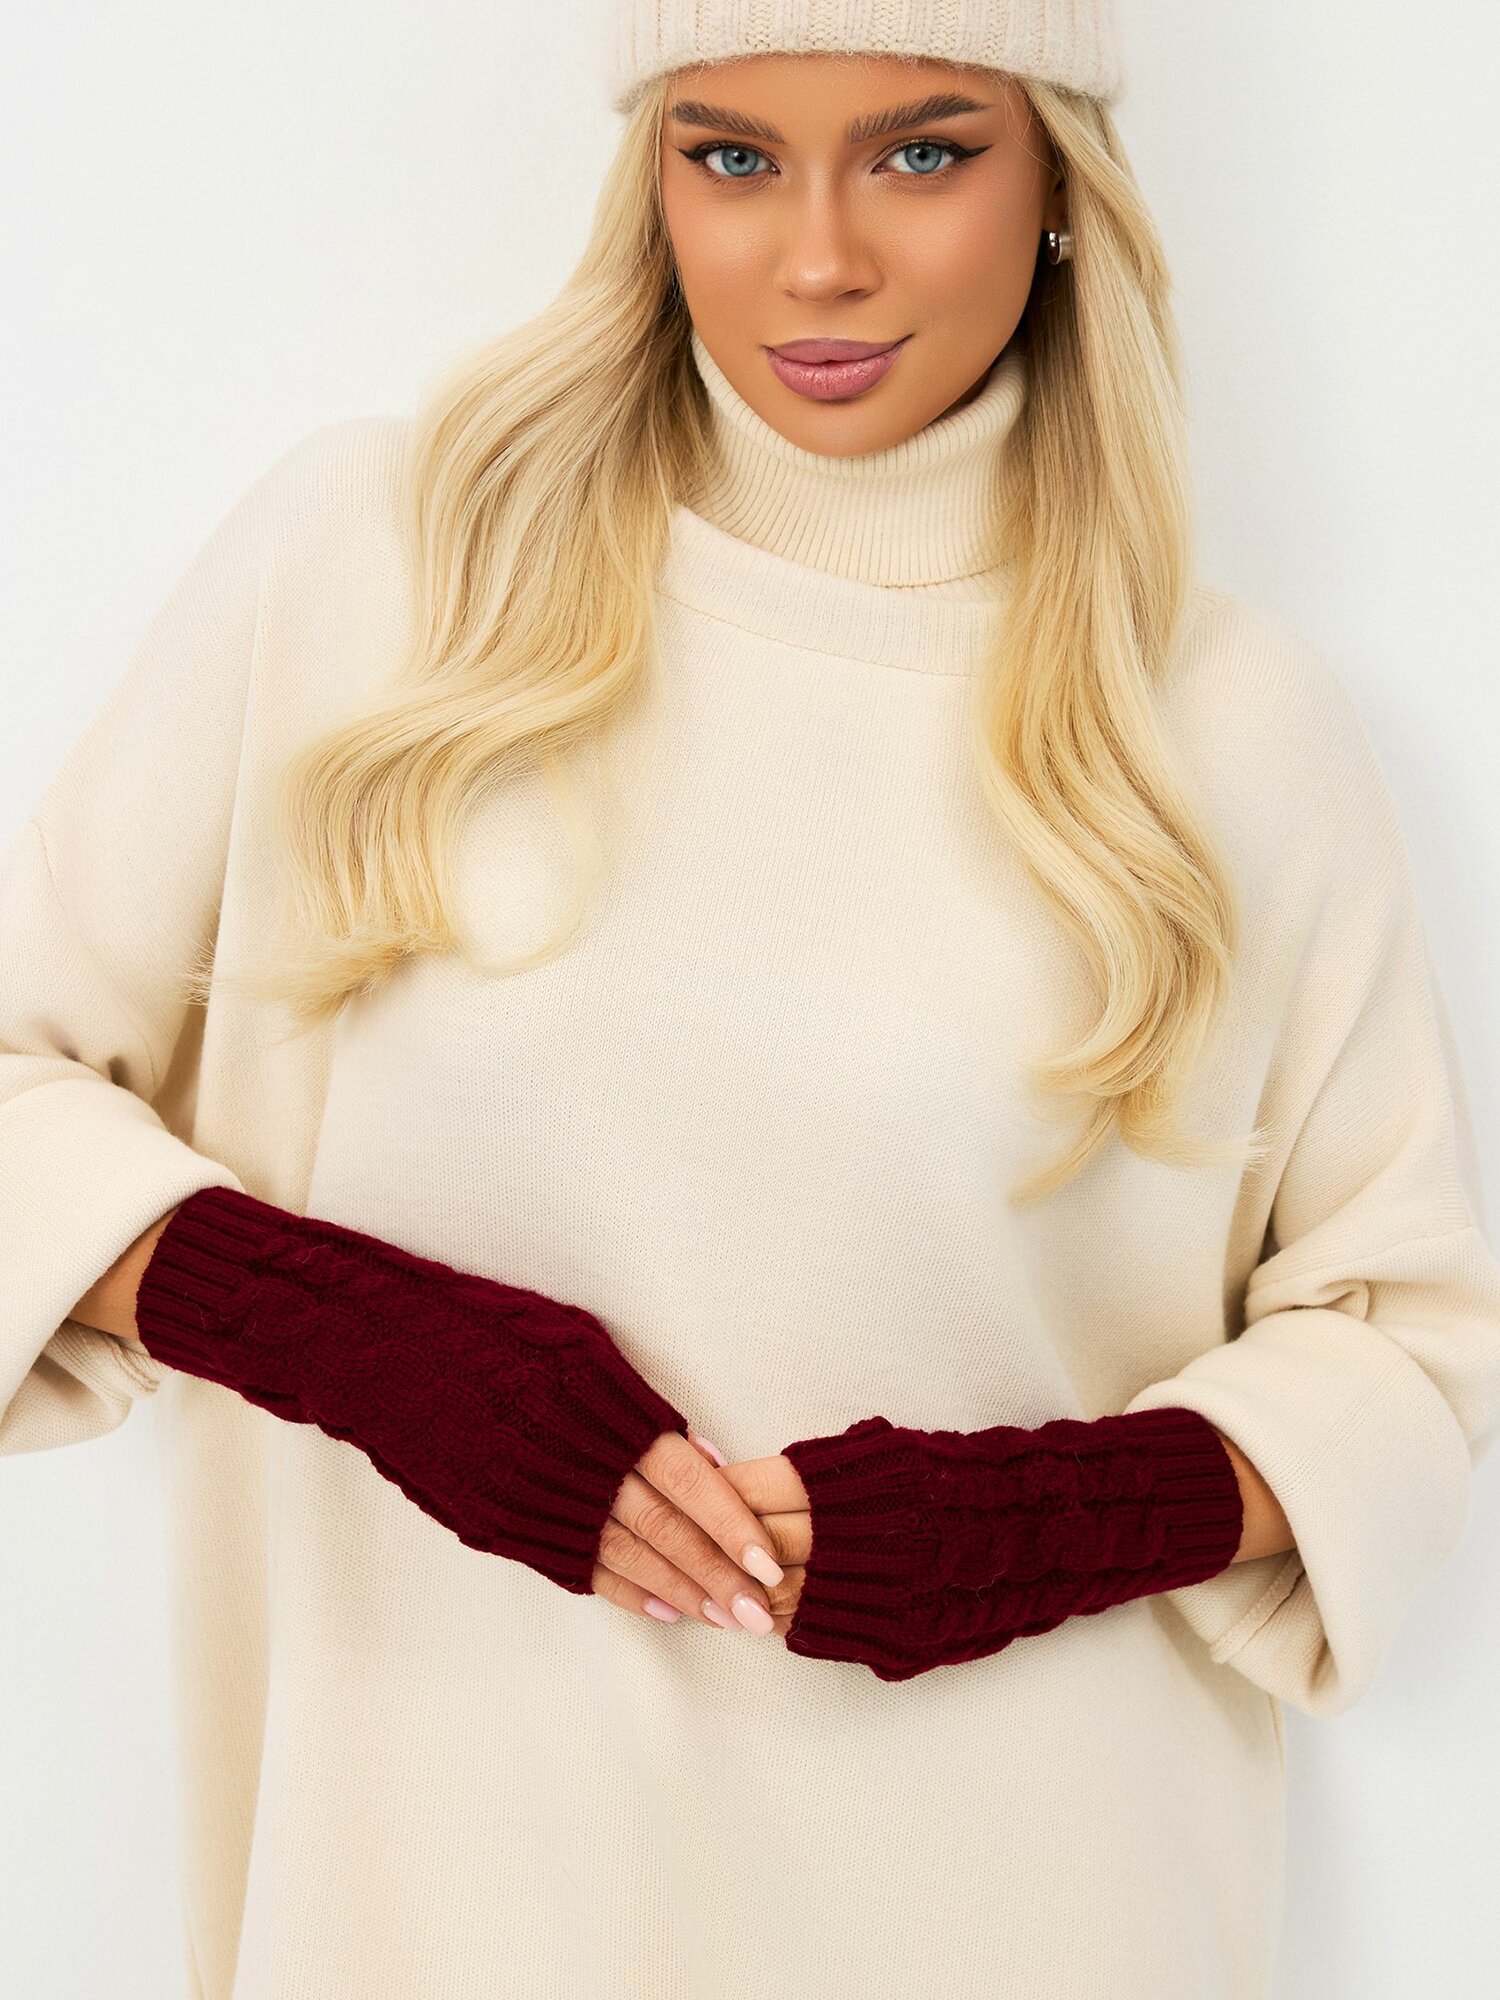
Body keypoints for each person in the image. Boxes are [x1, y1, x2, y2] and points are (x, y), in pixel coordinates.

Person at [4, 2, 1498, 1995]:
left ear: (1061, 182)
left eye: (922, 152)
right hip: (441, 1902)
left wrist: (1035, 1519)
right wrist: (367, 1344)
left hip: (1028, 1906)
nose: (819, 259)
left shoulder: (1227, 725)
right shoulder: (376, 566)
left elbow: (1407, 1353)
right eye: (730, 156)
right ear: (651, 176)